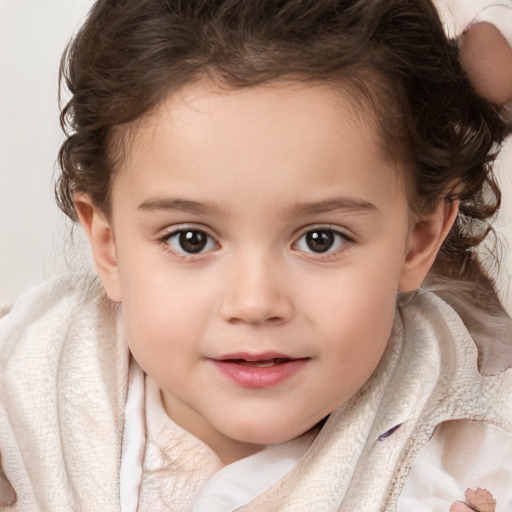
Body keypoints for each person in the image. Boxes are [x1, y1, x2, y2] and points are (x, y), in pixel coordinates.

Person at [0, 0, 511, 510]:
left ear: (418, 240)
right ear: (108, 247)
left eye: (320, 239)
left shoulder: (474, 464)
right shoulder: (21, 399)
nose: (255, 302)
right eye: (191, 239)